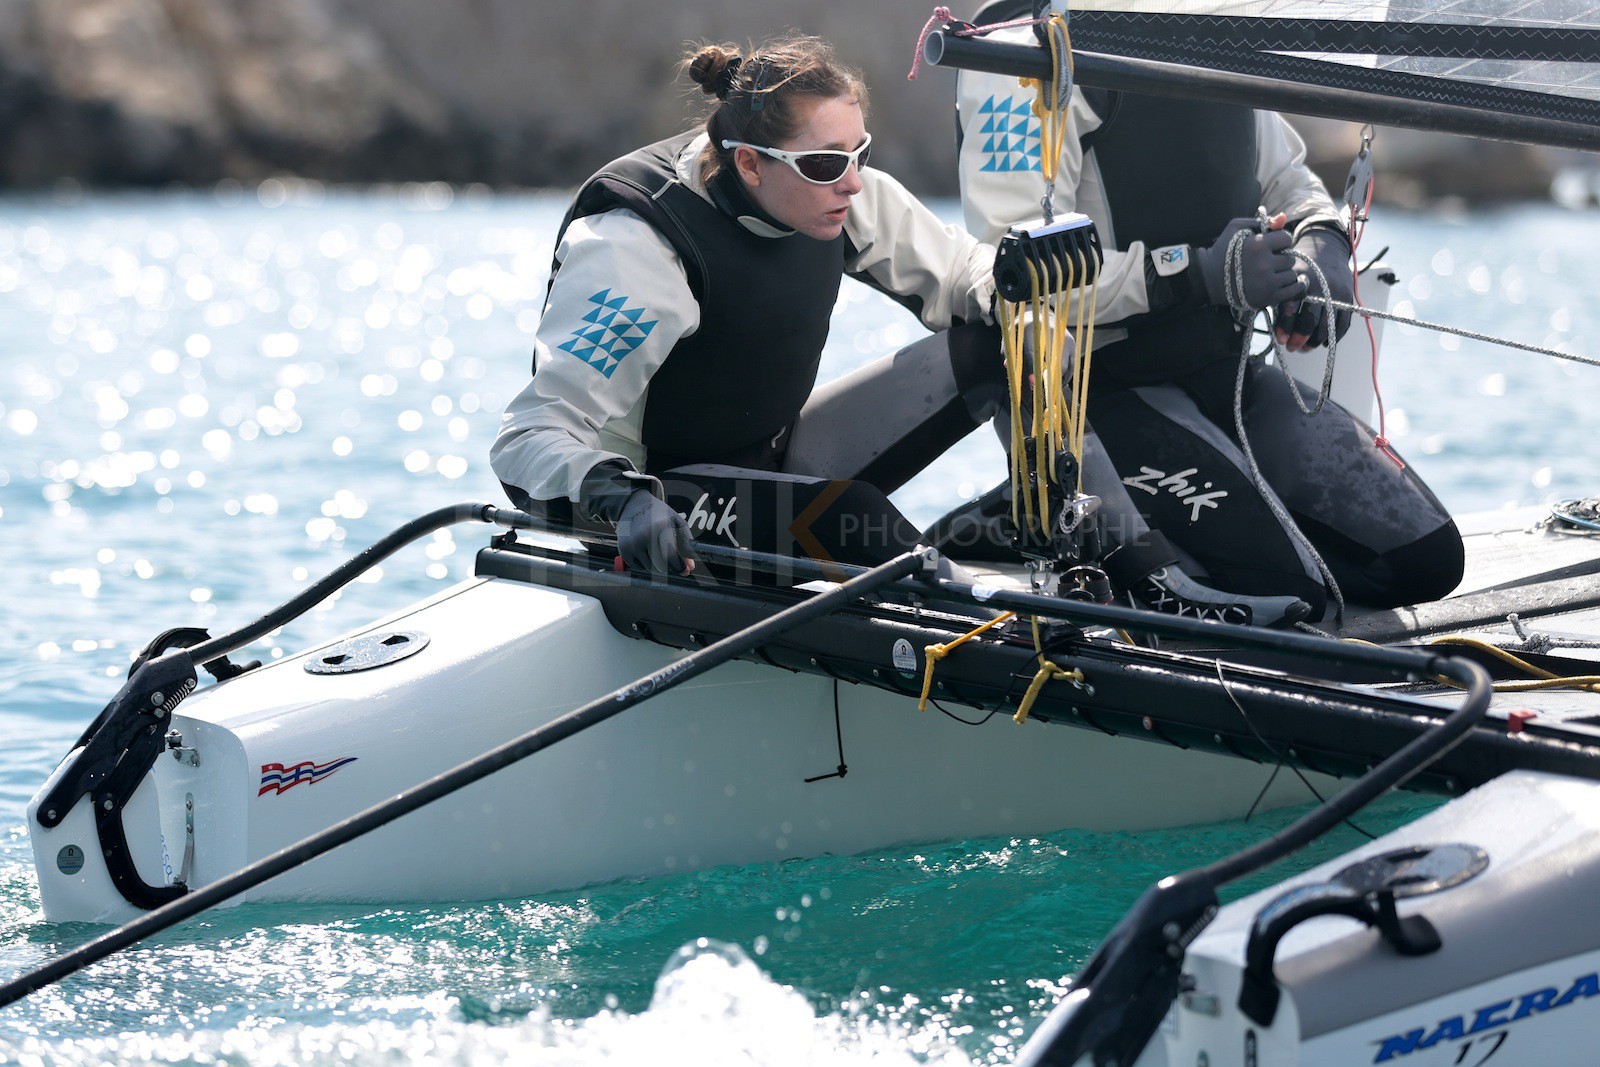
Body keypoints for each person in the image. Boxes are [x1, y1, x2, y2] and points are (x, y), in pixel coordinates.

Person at [952, 3, 1465, 622]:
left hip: (1221, 372)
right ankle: (1029, 507)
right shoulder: (1020, 55)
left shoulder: (1215, 25)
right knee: (1294, 595)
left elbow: (1288, 177)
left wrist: (1320, 239)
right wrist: (1194, 272)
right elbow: (1017, 267)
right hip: (1098, 390)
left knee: (1425, 559)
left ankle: (1144, 512)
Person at [491, 35, 1013, 583]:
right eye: (828, 162)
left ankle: (1058, 541)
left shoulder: (828, 189)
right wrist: (623, 499)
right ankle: (1002, 619)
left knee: (1003, 346)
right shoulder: (637, 250)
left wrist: (1016, 278)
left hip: (770, 460)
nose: (854, 180)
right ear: (750, 164)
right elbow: (529, 435)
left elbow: (961, 273)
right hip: (662, 505)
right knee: (849, 516)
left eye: (861, 152)